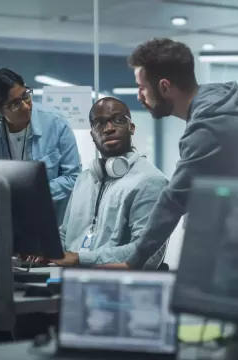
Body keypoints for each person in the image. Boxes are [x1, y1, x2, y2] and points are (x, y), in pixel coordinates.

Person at [106, 38, 238, 269]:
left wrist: (132, 262)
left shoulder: (209, 125)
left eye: (142, 87)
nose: (139, 96)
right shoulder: (218, 100)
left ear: (164, 86)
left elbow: (173, 200)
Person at [51, 97, 168, 269]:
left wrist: (79, 258)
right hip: (71, 277)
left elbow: (148, 253)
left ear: (132, 128)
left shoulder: (150, 181)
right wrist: (49, 252)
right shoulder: (84, 179)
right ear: (92, 134)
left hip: (113, 285)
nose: (109, 128)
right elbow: (66, 234)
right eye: (99, 123)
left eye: (118, 120)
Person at [0, 67, 81, 224]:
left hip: (51, 222)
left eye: (26, 96)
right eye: (15, 104)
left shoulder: (55, 122)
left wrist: (31, 194)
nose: (26, 106)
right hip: (4, 223)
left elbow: (73, 177)